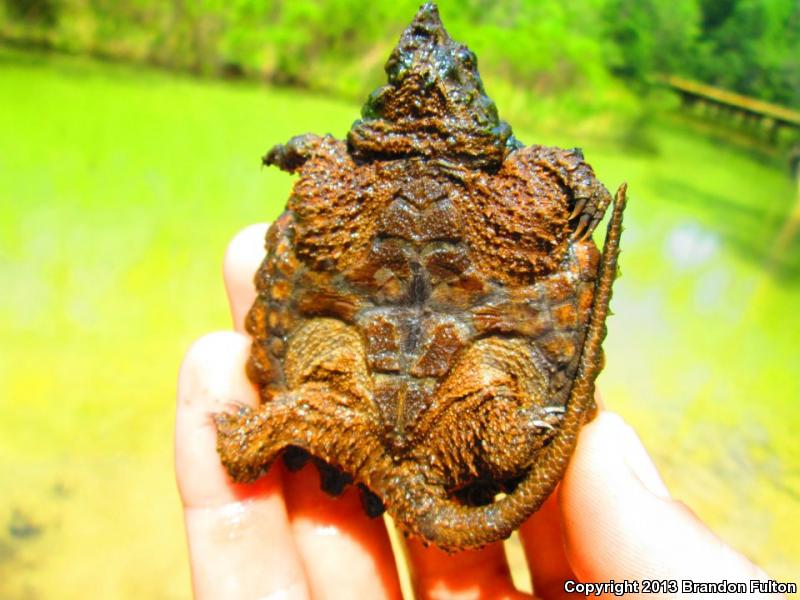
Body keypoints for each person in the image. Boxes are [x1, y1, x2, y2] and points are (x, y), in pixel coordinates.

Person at [175, 224, 786, 600]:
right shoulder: (354, 178)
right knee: (319, 405)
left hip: (451, 397)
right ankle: (256, 442)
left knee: (489, 428)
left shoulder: (508, 196)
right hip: (356, 387)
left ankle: (253, 443)